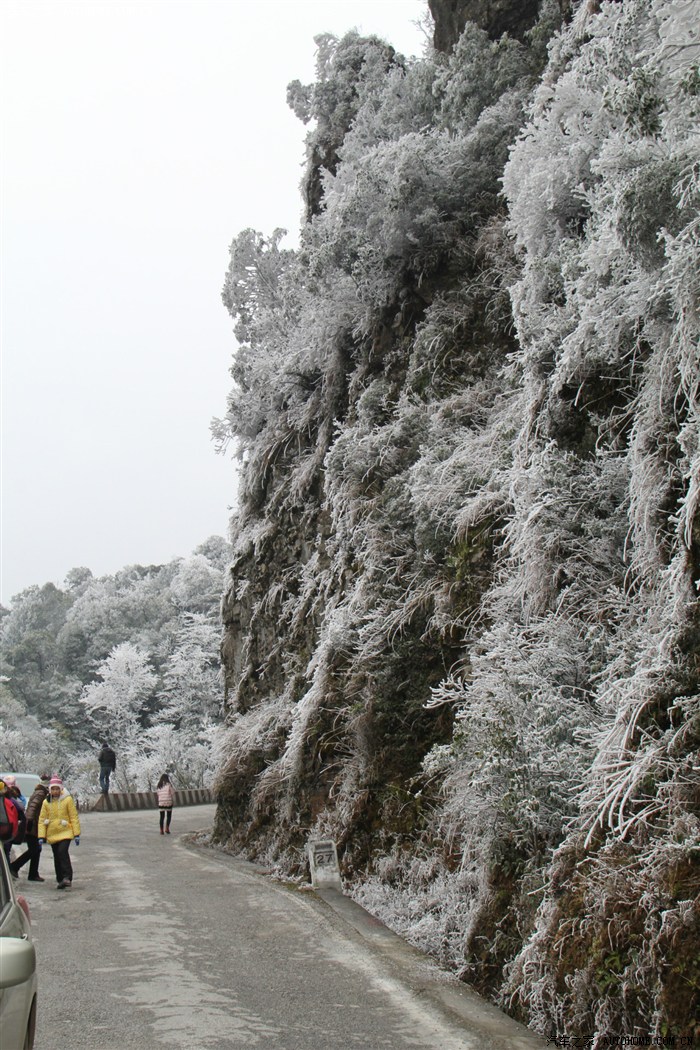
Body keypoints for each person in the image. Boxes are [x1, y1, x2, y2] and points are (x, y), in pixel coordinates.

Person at [38, 775, 81, 890]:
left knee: (62, 852)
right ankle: (60, 878)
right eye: (53, 789)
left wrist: (76, 834)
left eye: (57, 789)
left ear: (61, 789)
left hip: (65, 831)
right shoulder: (46, 803)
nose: (55, 791)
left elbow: (73, 817)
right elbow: (42, 820)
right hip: (52, 833)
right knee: (57, 855)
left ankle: (67, 877)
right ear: (50, 790)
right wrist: (41, 836)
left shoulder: (67, 800)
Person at [10, 778, 49, 882]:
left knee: (37, 849)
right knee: (34, 849)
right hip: (32, 825)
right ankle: (14, 866)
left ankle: (33, 873)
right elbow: (32, 806)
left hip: (34, 824)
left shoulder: (39, 792)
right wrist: (30, 820)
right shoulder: (41, 793)